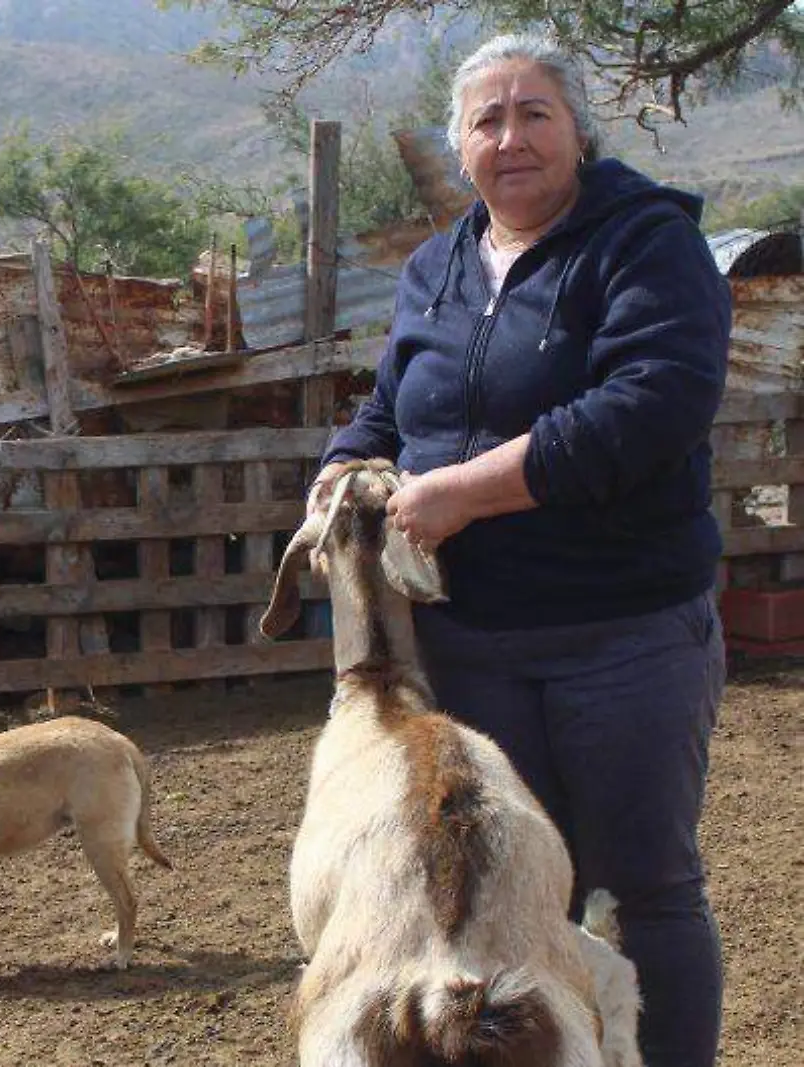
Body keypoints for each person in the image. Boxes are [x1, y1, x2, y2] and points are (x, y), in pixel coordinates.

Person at [317, 32, 731, 1067]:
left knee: (644, 884)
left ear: (578, 131)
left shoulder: (644, 243)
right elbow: (389, 404)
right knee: (509, 904)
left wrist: (466, 491)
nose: (510, 137)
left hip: (622, 632)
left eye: (533, 112)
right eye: (486, 119)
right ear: (460, 147)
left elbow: (649, 405)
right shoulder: (437, 266)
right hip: (471, 644)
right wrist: (341, 462)